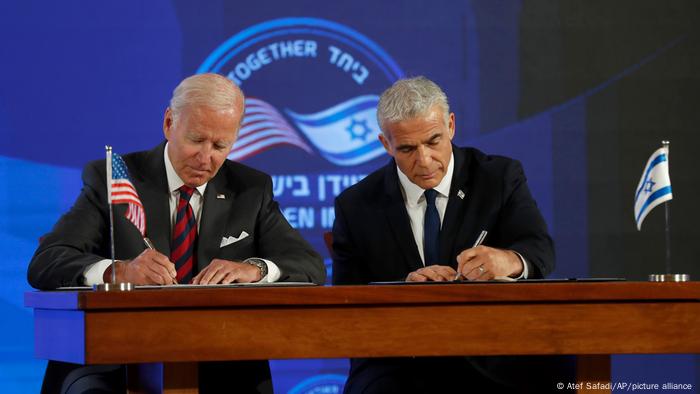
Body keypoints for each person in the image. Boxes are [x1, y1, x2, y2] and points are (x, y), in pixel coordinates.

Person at [28, 73, 326, 394]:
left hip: (219, 357)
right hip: (115, 357)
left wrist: (254, 269)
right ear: (170, 123)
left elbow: (309, 264)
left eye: (220, 145)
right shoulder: (114, 180)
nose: (205, 157)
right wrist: (119, 272)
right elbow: (46, 262)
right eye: (196, 140)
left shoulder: (250, 189)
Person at [332, 76, 573, 393]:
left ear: (451, 126)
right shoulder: (356, 204)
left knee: (565, 376)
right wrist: (404, 291)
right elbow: (348, 301)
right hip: (399, 361)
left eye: (433, 141)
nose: (424, 160)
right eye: (406, 148)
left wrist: (508, 261)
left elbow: (539, 249)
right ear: (385, 144)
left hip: (490, 354)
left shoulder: (498, 178)